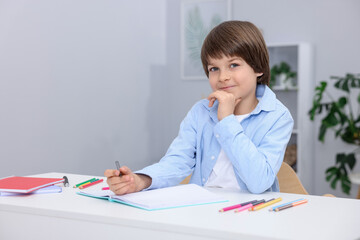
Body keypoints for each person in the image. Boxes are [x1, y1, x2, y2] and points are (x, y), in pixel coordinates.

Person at [104, 20, 294, 195]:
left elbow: (259, 182)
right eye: (214, 69)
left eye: (234, 65)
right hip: (203, 211)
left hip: (252, 215)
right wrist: (140, 181)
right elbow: (177, 161)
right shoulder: (201, 112)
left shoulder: (277, 117)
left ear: (258, 68)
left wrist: (227, 120)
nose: (223, 77)